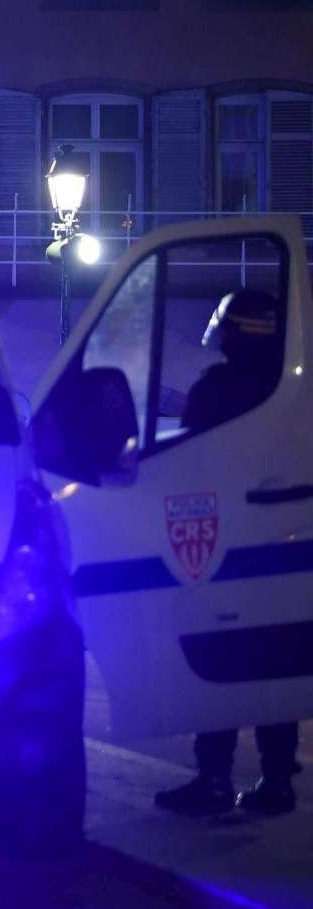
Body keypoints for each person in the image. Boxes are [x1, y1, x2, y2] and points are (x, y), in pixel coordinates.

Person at [154, 289, 300, 818]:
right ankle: (278, 780)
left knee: (218, 659)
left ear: (231, 334)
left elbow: (187, 460)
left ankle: (212, 777)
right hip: (284, 544)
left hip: (220, 544)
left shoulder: (214, 391)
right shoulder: (294, 393)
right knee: (274, 663)